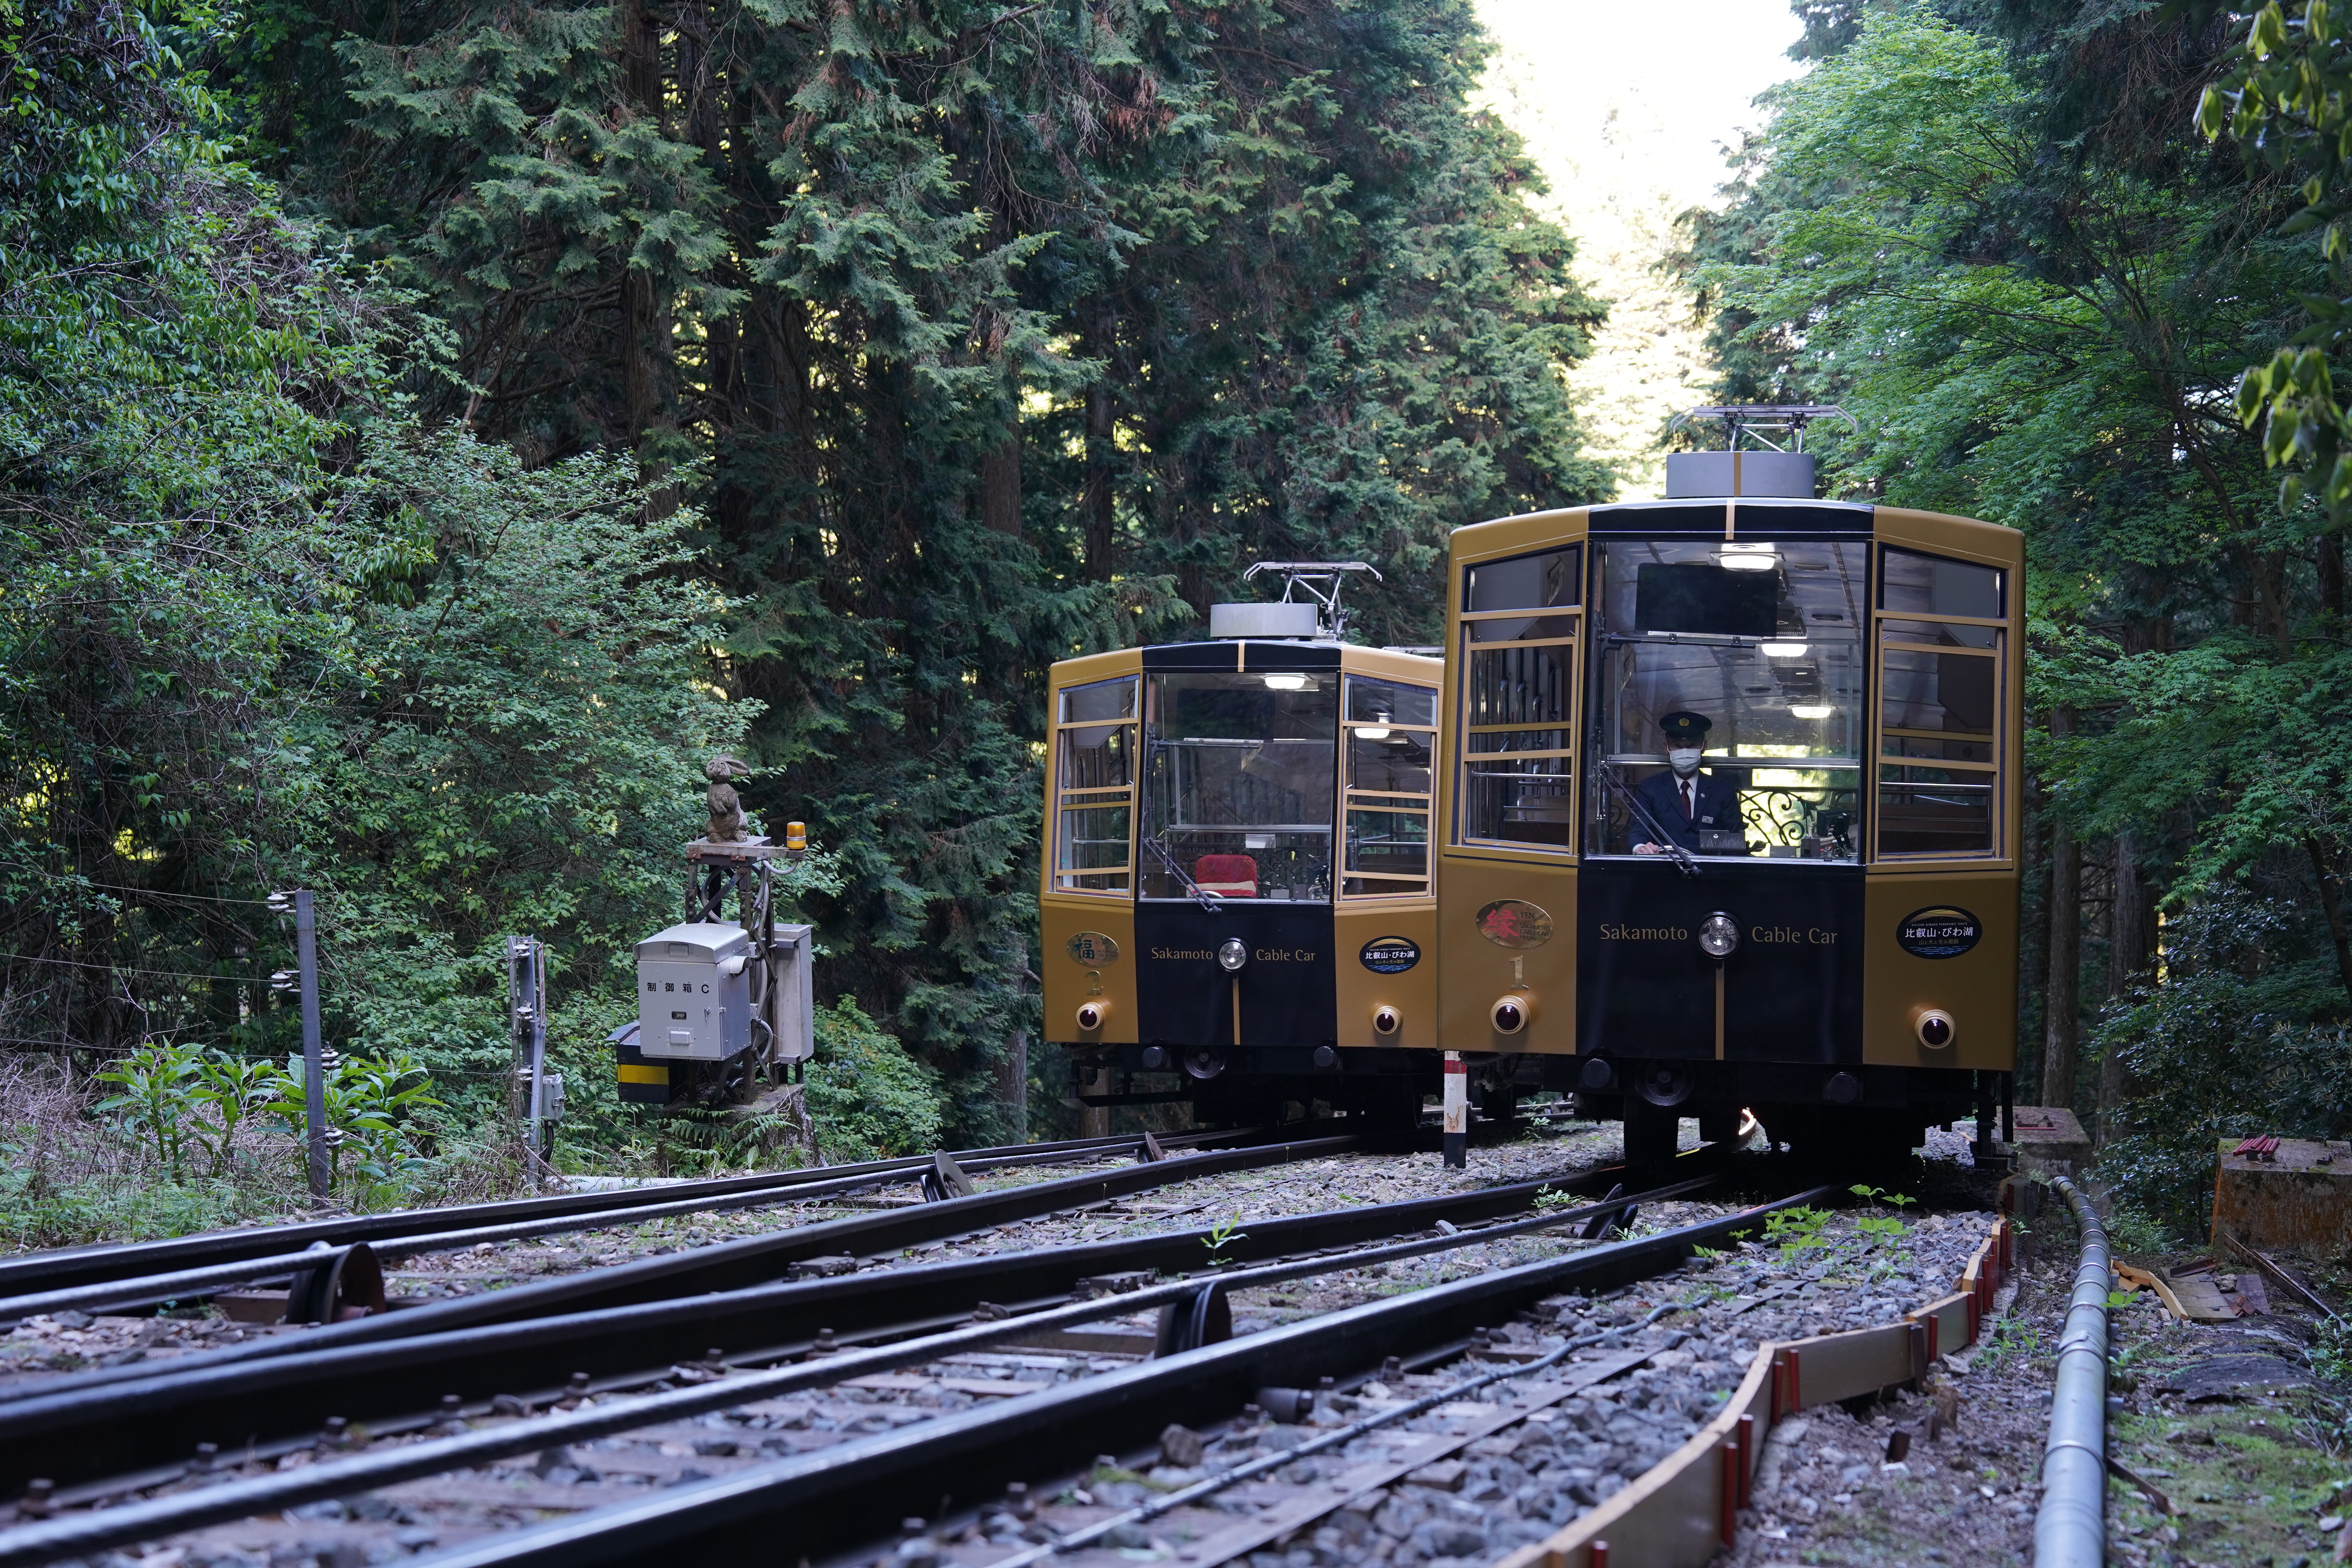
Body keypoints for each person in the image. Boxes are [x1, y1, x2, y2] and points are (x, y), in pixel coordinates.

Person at [1632, 711, 1740, 855]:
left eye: (1692, 745)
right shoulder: (1650, 788)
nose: (1685, 751)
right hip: (1666, 868)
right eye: (1677, 745)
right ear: (1667, 748)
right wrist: (1640, 848)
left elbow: (1734, 838)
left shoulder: (1722, 790)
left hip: (1711, 871)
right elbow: (1639, 830)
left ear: (1704, 746)